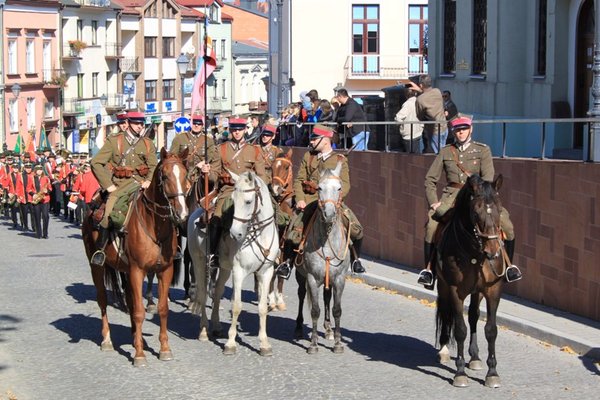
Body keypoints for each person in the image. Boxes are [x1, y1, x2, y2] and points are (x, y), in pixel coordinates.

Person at [417, 116, 523, 288]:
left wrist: (480, 195)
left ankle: (509, 267)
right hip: (451, 197)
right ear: (453, 131)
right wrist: (434, 202)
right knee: (431, 227)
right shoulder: (445, 151)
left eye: (464, 129)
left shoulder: (482, 150)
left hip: (479, 197)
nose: (461, 133)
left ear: (470, 130)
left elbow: (488, 179)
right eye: (458, 130)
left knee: (507, 226)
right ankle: (429, 271)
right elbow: (430, 179)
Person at [276, 124, 365, 278]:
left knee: (355, 228)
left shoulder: (339, 160)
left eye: (315, 139)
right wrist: (300, 199)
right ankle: (287, 263)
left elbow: (345, 184)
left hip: (331, 201)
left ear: (325, 140)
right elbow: (299, 180)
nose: (311, 142)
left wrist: (335, 200)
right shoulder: (308, 156)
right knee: (294, 228)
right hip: (309, 200)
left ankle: (356, 260)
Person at [89, 111, 158, 267]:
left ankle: (171, 247)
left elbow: (154, 165)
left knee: (165, 208)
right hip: (120, 185)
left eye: (142, 124)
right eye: (136, 123)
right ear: (128, 123)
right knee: (107, 214)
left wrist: (148, 180)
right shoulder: (115, 141)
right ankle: (100, 250)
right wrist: (108, 185)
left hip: (141, 184)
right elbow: (96, 163)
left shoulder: (147, 143)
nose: (140, 126)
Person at [206, 117, 266, 267]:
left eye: (240, 129)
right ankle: (213, 254)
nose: (237, 132)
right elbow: (214, 175)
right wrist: (207, 172)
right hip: (229, 190)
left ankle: (273, 251)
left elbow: (262, 175)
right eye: (234, 130)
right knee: (217, 217)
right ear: (230, 131)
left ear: (245, 130)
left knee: (272, 213)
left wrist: (255, 185)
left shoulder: (254, 150)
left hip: (249, 191)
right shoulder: (221, 149)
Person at [169, 114, 220, 188]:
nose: (196, 125)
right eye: (194, 123)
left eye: (199, 124)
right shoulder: (179, 138)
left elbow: (211, 156)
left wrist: (204, 162)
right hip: (184, 175)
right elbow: (172, 157)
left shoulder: (208, 140)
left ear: (202, 125)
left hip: (201, 175)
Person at [412, 75, 446, 154]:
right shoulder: (437, 91)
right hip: (444, 126)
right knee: (443, 150)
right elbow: (429, 95)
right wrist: (420, 90)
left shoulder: (420, 99)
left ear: (421, 85)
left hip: (434, 130)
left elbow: (419, 116)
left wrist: (419, 91)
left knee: (438, 155)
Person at [395, 89, 423, 153]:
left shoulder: (407, 104)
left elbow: (398, 117)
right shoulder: (419, 102)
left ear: (406, 95)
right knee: (418, 155)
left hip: (409, 134)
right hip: (419, 131)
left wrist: (400, 125)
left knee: (410, 157)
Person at [27, 164, 52, 239]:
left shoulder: (46, 178)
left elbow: (50, 188)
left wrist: (47, 191)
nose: (39, 171)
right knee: (37, 217)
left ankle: (45, 233)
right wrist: (33, 194)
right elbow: (28, 188)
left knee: (45, 216)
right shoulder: (31, 178)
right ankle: (39, 233)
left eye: (41, 170)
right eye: (38, 170)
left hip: (45, 200)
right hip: (36, 200)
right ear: (35, 171)